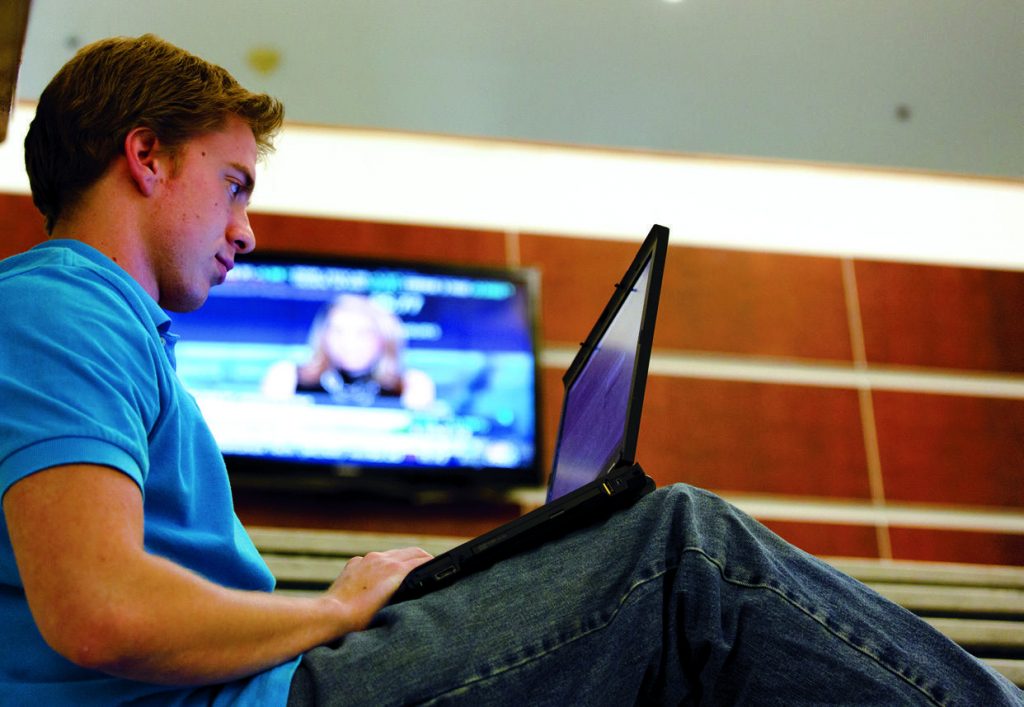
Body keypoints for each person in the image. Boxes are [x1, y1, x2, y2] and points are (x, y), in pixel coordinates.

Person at [0, 34, 1019, 707]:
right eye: (231, 185)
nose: (247, 230)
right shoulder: (61, 304)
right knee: (682, 552)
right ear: (145, 157)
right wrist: (335, 607)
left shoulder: (107, 326)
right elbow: (102, 611)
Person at [261, 293, 436, 410]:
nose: (349, 343)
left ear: (384, 339)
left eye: (362, 333)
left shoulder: (411, 385)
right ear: (323, 336)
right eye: (338, 331)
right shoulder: (287, 376)